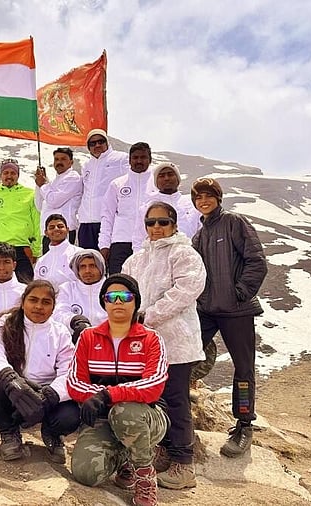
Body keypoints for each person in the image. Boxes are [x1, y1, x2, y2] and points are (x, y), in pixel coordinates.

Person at [122, 202, 206, 489]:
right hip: (145, 345)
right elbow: (123, 290)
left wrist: (148, 315)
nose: (156, 228)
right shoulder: (136, 259)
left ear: (174, 224)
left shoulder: (184, 254)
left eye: (163, 222)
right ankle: (165, 451)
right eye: (151, 222)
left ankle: (184, 464)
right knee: (154, 401)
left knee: (176, 400)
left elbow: (185, 291)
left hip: (176, 342)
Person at [68, 274, 168, 506]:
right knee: (86, 473)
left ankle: (144, 474)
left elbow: (154, 384)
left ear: (136, 302)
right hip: (103, 419)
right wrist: (92, 397)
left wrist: (106, 395)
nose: (118, 302)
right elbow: (74, 381)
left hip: (145, 417)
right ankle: (124, 456)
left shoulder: (151, 339)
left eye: (126, 296)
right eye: (112, 297)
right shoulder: (88, 337)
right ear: (104, 302)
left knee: (124, 412)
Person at [191, 177, 267, 458]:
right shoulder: (199, 235)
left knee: (243, 369)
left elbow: (257, 260)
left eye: (209, 195)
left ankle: (244, 424)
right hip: (207, 310)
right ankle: (177, 405)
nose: (204, 200)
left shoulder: (234, 222)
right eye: (198, 197)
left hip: (237, 310)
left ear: (218, 198)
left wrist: (241, 292)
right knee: (184, 354)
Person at [0, 280, 80, 463]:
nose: (38, 306)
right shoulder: (5, 325)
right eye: (33, 300)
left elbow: (69, 371)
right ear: (23, 301)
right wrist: (10, 379)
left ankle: (52, 432)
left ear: (53, 307)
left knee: (71, 415)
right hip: (15, 389)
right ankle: (9, 431)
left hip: (45, 392)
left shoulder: (60, 333)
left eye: (46, 302)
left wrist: (49, 395)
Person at [99, 142, 156, 274]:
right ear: (130, 160)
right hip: (121, 243)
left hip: (149, 242)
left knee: (146, 286)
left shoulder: (156, 183)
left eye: (143, 157)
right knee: (119, 285)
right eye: (135, 158)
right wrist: (104, 245)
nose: (139, 161)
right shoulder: (117, 184)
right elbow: (107, 216)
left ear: (150, 159)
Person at [0, 159, 41, 282]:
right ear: (1, 176)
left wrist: (35, 250)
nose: (9, 176)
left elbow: (36, 222)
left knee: (25, 286)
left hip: (22, 247)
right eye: (6, 173)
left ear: (18, 175)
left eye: (13, 173)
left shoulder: (29, 194)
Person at [77, 129, 129, 250]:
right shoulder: (86, 165)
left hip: (108, 221)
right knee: (88, 263)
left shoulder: (121, 159)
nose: (97, 145)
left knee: (109, 262)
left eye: (101, 141)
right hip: (86, 223)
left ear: (107, 142)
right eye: (93, 143)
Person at [134, 162, 201, 244]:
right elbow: (138, 239)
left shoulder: (193, 203)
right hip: (157, 254)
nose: (166, 178)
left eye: (170, 174)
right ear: (156, 182)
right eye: (161, 176)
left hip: (189, 252)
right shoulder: (146, 208)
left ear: (178, 179)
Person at [34, 147, 82, 251]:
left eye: (63, 159)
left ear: (71, 162)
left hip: (64, 231)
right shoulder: (53, 182)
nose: (59, 162)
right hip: (49, 232)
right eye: (56, 159)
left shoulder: (73, 178)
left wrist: (43, 185)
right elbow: (39, 206)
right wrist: (39, 184)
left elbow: (54, 201)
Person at [53, 249, 108, 329]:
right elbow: (58, 314)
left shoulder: (111, 288)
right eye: (82, 267)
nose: (87, 271)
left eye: (92, 266)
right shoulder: (67, 289)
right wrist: (74, 320)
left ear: (101, 268)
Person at [33, 214, 80, 286]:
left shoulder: (78, 254)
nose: (56, 229)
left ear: (67, 230)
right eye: (51, 227)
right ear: (46, 233)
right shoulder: (41, 261)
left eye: (60, 226)